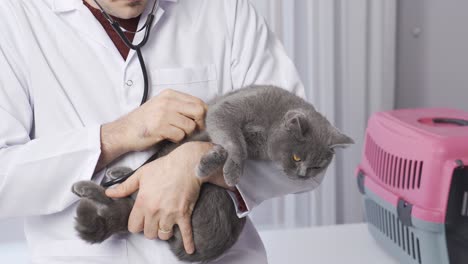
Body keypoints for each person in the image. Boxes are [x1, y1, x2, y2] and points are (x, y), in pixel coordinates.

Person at [0, 0, 306, 263]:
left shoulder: (225, 10)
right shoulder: (14, 18)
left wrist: (201, 162)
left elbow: (307, 154)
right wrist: (114, 136)